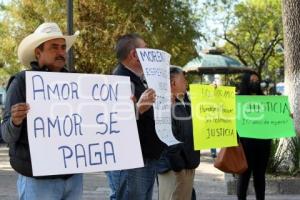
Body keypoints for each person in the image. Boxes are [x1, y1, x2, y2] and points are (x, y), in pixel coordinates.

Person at [1, 22, 82, 200]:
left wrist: (121, 109)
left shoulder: (77, 83)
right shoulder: (21, 82)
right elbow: (6, 135)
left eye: (63, 47)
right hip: (38, 181)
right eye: (54, 47)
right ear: (38, 53)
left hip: (74, 177)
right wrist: (15, 121)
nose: (61, 52)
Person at [105, 33, 167, 200]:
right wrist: (138, 109)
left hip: (145, 157)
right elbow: (113, 121)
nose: (150, 52)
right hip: (131, 161)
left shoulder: (139, 79)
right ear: (134, 55)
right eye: (145, 48)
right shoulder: (119, 80)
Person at [157, 66, 200, 200]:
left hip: (184, 166)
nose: (186, 83)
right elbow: (168, 139)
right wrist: (178, 167)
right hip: (174, 170)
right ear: (173, 83)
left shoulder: (181, 101)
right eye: (183, 80)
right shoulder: (164, 105)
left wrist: (211, 92)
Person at [236, 72, 272, 200]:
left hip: (263, 145)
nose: (255, 83)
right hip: (245, 146)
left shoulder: (265, 100)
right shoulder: (238, 100)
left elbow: (272, 118)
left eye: (257, 81)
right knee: (244, 177)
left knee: (260, 176)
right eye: (252, 80)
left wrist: (285, 116)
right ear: (246, 82)